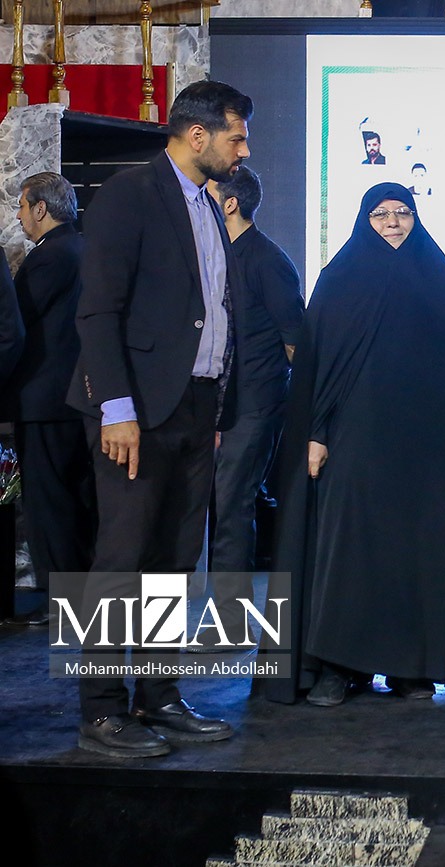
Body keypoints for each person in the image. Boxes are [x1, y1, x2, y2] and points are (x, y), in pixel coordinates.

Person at [67, 80, 252, 758]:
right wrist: (115, 408)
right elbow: (98, 310)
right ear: (197, 135)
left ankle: (158, 695)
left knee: (173, 561)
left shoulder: (208, 203)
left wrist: (218, 404)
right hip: (133, 412)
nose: (244, 150)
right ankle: (100, 711)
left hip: (195, 407)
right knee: (121, 560)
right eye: (236, 137)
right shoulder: (129, 194)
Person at [262, 182, 445, 707]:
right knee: (347, 552)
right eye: (381, 213)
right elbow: (318, 368)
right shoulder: (340, 278)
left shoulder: (441, 279)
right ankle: (339, 666)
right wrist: (316, 434)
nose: (392, 222)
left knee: (416, 555)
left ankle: (411, 669)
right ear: (365, 219)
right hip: (355, 444)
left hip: (425, 450)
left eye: (403, 212)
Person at [200, 166, 303, 647]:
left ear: (230, 204)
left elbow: (296, 342)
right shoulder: (217, 255)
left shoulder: (267, 260)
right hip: (221, 403)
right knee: (228, 506)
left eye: (208, 195)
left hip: (257, 403)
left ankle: (231, 621)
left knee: (232, 505)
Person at [3, 173, 95, 629]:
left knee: (49, 506)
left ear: (41, 208)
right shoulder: (83, 249)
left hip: (42, 402)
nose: (19, 217)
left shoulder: (48, 258)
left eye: (22, 207)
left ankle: (62, 605)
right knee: (75, 502)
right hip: (75, 400)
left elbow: (16, 324)